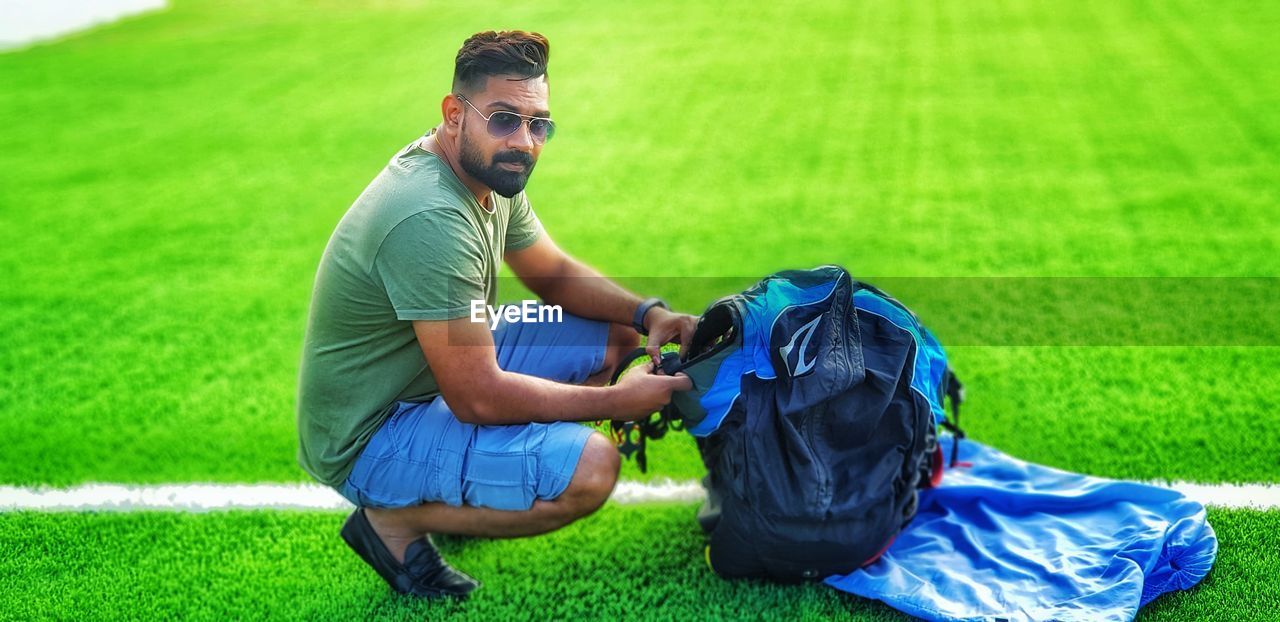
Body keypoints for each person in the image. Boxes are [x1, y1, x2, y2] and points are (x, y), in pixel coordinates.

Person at [295, 30, 696, 599]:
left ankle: (461, 482)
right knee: (591, 470)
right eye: (505, 118)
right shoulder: (428, 217)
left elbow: (551, 272)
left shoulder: (487, 171)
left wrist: (647, 312)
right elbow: (478, 397)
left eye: (539, 124)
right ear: (454, 113)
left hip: (432, 376)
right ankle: (396, 522)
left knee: (613, 332)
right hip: (372, 432)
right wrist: (614, 402)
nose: (526, 141)